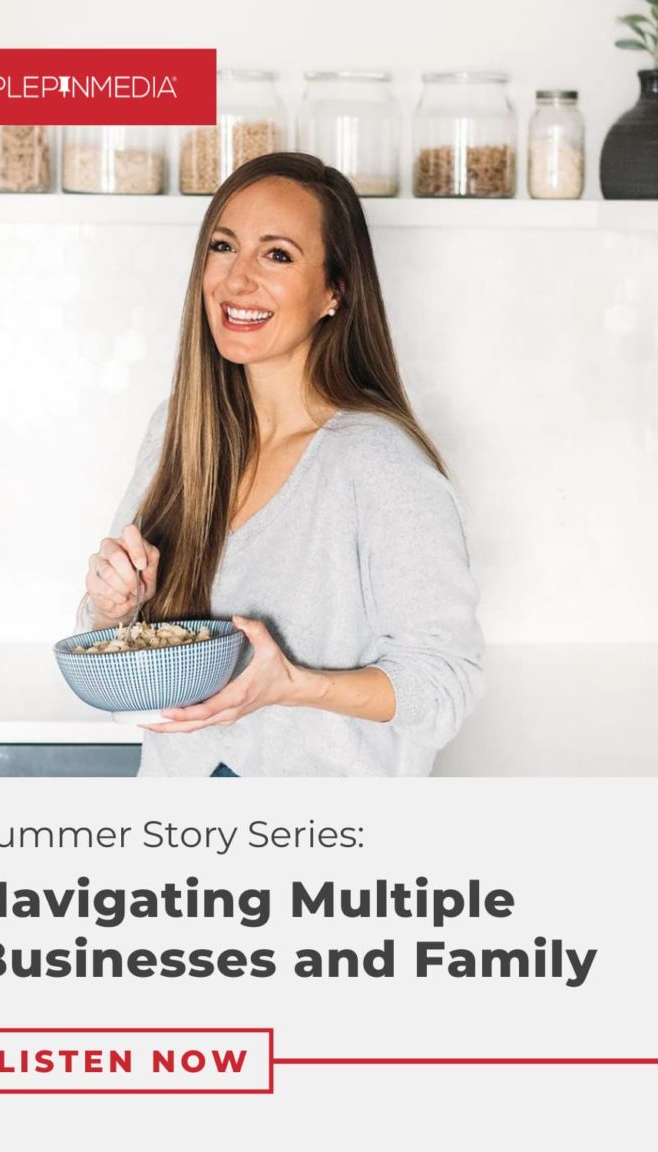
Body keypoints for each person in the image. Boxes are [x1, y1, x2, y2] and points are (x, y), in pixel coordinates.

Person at [80, 152, 484, 777]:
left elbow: (446, 686)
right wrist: (112, 608)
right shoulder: (178, 430)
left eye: (277, 255)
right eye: (223, 246)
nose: (237, 281)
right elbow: (113, 635)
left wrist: (291, 683)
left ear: (334, 291)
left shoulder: (376, 463)